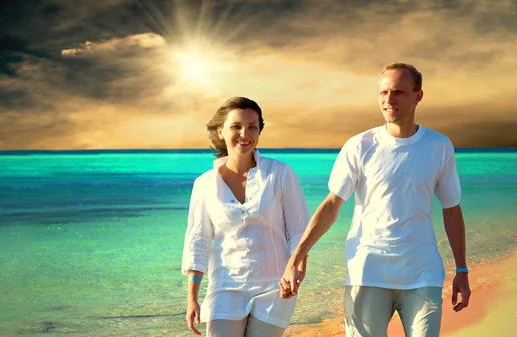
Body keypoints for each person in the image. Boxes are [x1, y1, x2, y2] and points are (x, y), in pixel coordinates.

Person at [280, 63, 471, 337]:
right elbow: (333, 204)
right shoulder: (360, 145)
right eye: (383, 92)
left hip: (422, 274)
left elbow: (451, 209)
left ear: (418, 96)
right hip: (367, 273)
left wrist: (462, 269)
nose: (388, 100)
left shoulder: (439, 146)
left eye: (398, 92)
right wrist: (297, 256)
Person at [181, 97, 309, 337]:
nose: (245, 133)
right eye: (236, 126)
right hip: (225, 287)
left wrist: (297, 270)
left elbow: (299, 230)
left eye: (252, 126)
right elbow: (198, 241)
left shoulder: (279, 173)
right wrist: (192, 298)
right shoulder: (204, 184)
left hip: (274, 286)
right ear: (221, 131)